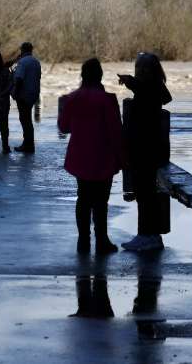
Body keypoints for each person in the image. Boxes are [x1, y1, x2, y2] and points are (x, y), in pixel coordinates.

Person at [58, 58, 123, 254]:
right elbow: (115, 131)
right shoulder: (107, 100)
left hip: (80, 155)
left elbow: (64, 127)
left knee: (83, 199)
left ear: (82, 75)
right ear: (100, 75)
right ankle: (102, 241)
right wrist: (121, 158)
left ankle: (83, 240)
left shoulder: (73, 98)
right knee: (101, 201)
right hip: (103, 156)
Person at [118, 52, 172, 252]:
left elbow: (146, 91)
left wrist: (130, 81)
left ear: (152, 69)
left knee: (145, 193)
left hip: (146, 148)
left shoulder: (151, 87)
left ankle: (146, 235)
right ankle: (150, 234)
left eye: (143, 67)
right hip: (147, 147)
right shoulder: (153, 86)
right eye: (137, 67)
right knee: (144, 193)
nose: (139, 70)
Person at [11, 42, 41, 153]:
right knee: (27, 120)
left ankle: (28, 145)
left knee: (25, 120)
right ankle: (28, 144)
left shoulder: (23, 62)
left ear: (22, 50)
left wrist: (14, 91)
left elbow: (19, 78)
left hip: (23, 95)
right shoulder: (36, 62)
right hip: (33, 94)